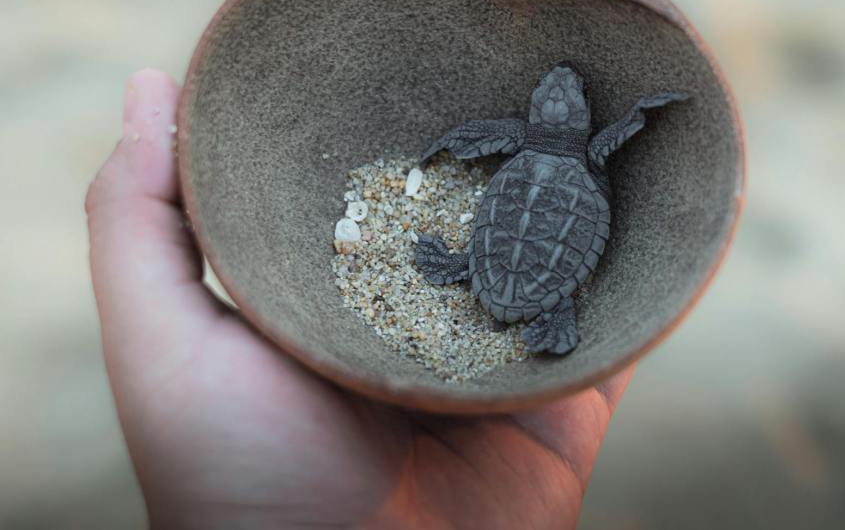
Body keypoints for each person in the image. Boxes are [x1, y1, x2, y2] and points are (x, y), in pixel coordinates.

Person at [85, 69, 634, 529]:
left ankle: (461, 268)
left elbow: (476, 139)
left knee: (504, 232)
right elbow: (611, 142)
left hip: (491, 259)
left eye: (568, 92)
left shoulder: (519, 140)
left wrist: (447, 145)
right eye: (555, 91)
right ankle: (543, 305)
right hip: (556, 253)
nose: (561, 87)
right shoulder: (590, 153)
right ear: (578, 121)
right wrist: (640, 116)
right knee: (545, 250)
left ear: (543, 118)